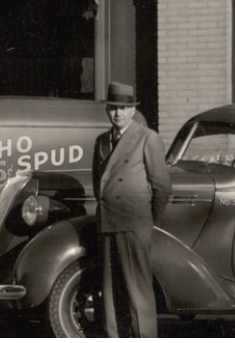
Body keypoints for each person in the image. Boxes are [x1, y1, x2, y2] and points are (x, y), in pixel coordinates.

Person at [92, 81, 171, 338]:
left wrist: (149, 220)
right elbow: (98, 183)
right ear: (108, 110)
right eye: (113, 108)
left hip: (134, 223)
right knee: (110, 291)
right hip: (108, 222)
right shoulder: (101, 141)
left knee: (137, 291)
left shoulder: (147, 138)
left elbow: (162, 186)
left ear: (133, 110)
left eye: (123, 108)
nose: (118, 113)